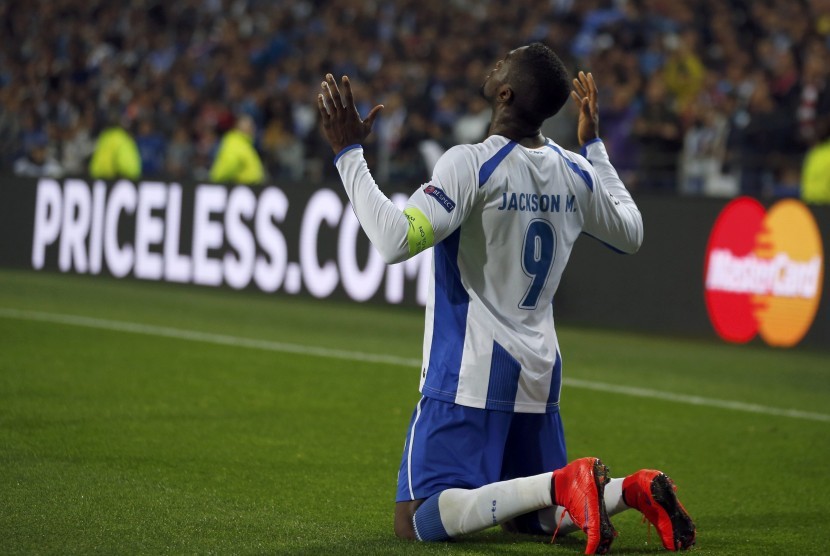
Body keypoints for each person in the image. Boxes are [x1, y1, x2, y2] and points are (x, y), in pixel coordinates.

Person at [316, 43, 696, 554]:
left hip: (469, 374)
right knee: (534, 521)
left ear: (506, 91)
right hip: (539, 373)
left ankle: (561, 483)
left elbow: (394, 240)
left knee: (417, 520)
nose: (494, 62)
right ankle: (630, 489)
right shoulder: (575, 172)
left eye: (504, 62)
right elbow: (631, 231)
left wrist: (347, 154)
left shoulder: (470, 164)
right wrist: (596, 148)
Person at [209, 114, 265, 185]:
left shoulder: (244, 143)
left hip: (249, 189)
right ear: (241, 127)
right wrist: (218, 182)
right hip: (242, 189)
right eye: (250, 126)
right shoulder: (235, 142)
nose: (253, 129)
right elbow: (229, 164)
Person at [88, 112, 142, 180]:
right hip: (118, 182)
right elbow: (128, 168)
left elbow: (95, 166)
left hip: (97, 180)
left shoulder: (104, 136)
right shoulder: (122, 138)